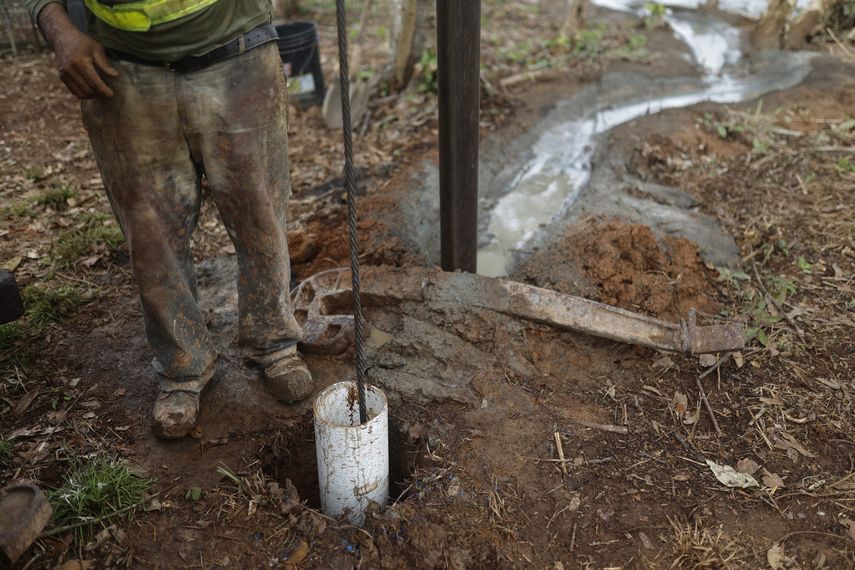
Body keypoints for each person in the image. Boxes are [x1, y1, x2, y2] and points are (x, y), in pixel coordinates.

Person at [25, 0, 314, 438]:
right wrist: (56, 25)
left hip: (237, 53)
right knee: (150, 235)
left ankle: (273, 341)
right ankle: (182, 365)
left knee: (261, 215)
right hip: (120, 70)